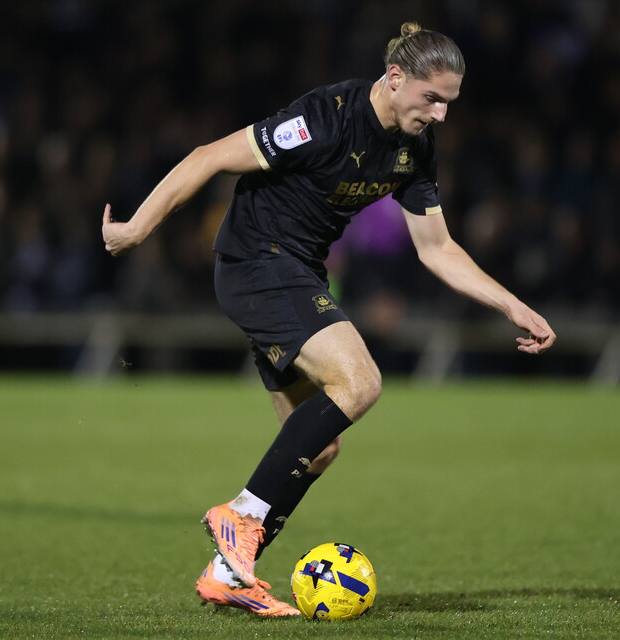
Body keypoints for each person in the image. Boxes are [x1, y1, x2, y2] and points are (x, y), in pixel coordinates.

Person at [102, 22, 556, 616]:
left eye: (450, 102)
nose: (442, 113)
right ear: (395, 80)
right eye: (433, 98)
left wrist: (512, 306)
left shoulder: (415, 145)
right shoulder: (325, 117)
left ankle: (226, 573)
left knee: (318, 448)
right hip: (256, 261)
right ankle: (239, 520)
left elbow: (437, 247)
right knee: (361, 382)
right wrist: (137, 228)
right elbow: (209, 156)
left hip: (295, 274)